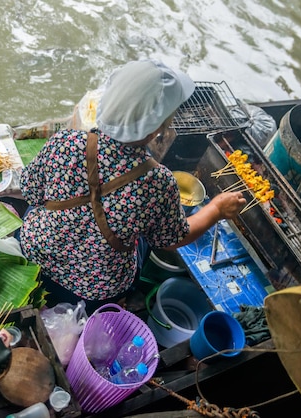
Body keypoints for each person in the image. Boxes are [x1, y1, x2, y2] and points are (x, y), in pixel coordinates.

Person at [18, 59, 246, 313]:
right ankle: (115, 303)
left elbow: (30, 191)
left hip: (38, 253)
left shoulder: (65, 141)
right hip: (94, 289)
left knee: (39, 210)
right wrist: (216, 209)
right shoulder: (158, 183)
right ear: (157, 129)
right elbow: (171, 240)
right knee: (146, 240)